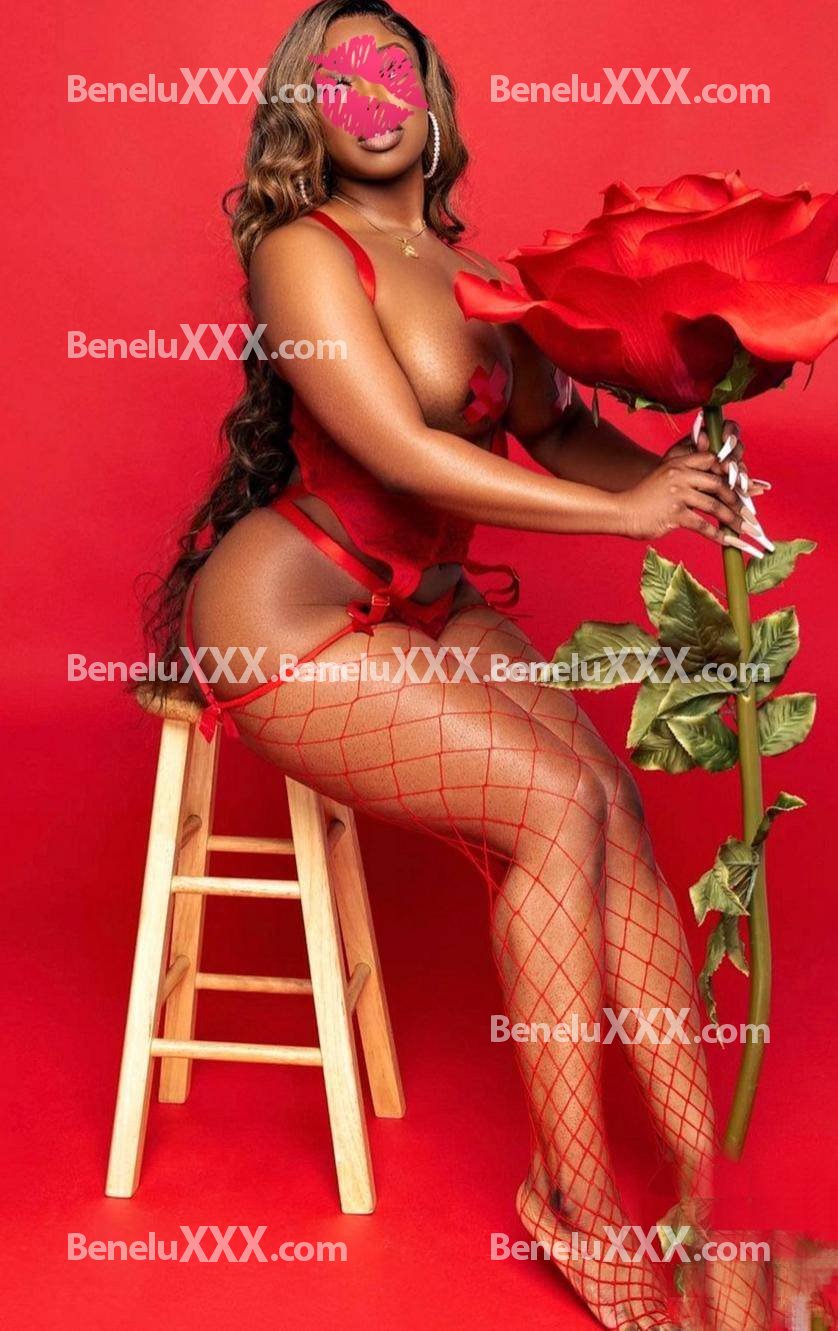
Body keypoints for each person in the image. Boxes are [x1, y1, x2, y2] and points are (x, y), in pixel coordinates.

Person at [147, 3, 769, 1326]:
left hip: (427, 603)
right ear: (305, 113)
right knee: (550, 806)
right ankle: (573, 1204)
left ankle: (702, 1199)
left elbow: (564, 434)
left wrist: (681, 476)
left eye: (396, 71)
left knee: (613, 807)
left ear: (435, 99)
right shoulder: (301, 252)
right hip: (292, 615)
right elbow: (400, 452)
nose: (372, 97)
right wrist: (623, 519)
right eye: (340, 79)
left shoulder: (480, 272)